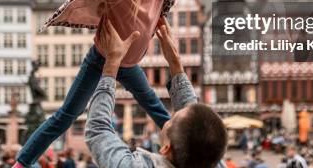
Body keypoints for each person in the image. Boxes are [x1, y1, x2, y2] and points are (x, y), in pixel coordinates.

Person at [15, 0, 259, 168]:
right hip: (102, 59)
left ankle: (189, 152)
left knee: (160, 112)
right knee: (64, 117)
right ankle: (21, 164)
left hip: (130, 65)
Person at [85, 17, 228, 168]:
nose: (168, 118)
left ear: (166, 148)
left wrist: (112, 62)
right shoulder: (209, 159)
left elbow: (98, 128)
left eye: (171, 120)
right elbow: (193, 124)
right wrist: (175, 63)